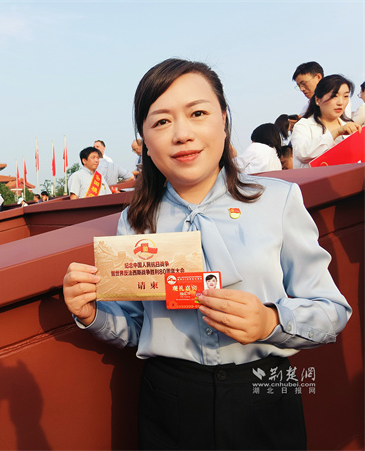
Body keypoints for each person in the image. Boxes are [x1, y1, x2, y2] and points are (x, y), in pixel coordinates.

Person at [63, 58, 351, 450]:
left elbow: (332, 312)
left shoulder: (278, 200)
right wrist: (91, 314)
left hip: (264, 387)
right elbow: (136, 327)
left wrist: (270, 321)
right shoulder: (135, 221)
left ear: (224, 119)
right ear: (144, 139)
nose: (182, 134)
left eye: (198, 113)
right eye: (161, 121)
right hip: (170, 401)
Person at [291, 75, 361, 168]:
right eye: (334, 96)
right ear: (318, 100)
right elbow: (302, 154)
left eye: (345, 96)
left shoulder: (351, 127)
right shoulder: (303, 126)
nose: (340, 102)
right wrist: (336, 133)